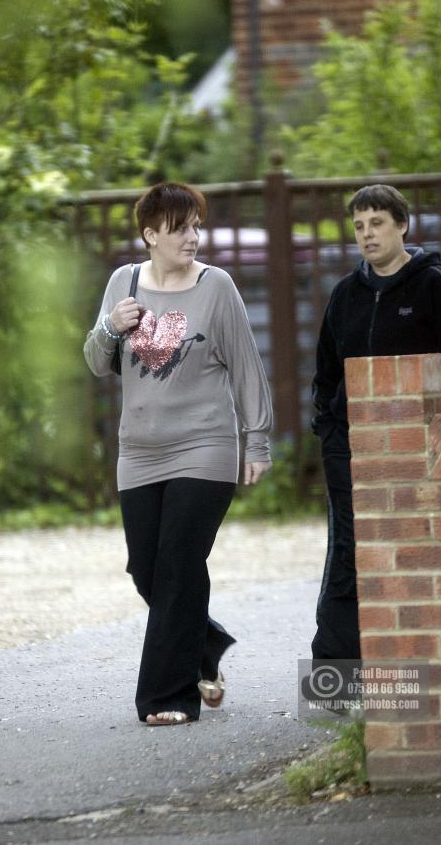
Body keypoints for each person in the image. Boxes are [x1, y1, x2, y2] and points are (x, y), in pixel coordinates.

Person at [84, 182, 273, 725]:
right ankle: (205, 647)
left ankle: (167, 697)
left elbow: (245, 365)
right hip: (139, 452)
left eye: (196, 226)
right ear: (150, 235)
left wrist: (255, 440)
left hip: (205, 446)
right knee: (148, 569)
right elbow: (98, 361)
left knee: (177, 564)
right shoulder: (124, 282)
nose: (194, 237)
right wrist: (109, 327)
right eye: (181, 228)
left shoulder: (217, 287)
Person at [311, 183, 441, 661]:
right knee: (349, 556)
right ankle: (337, 679)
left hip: (425, 451)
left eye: (376, 223)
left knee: (421, 555)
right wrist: (331, 435)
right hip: (351, 450)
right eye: (359, 226)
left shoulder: (434, 286)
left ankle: (420, 668)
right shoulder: (345, 296)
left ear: (402, 225)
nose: (367, 234)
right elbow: (325, 375)